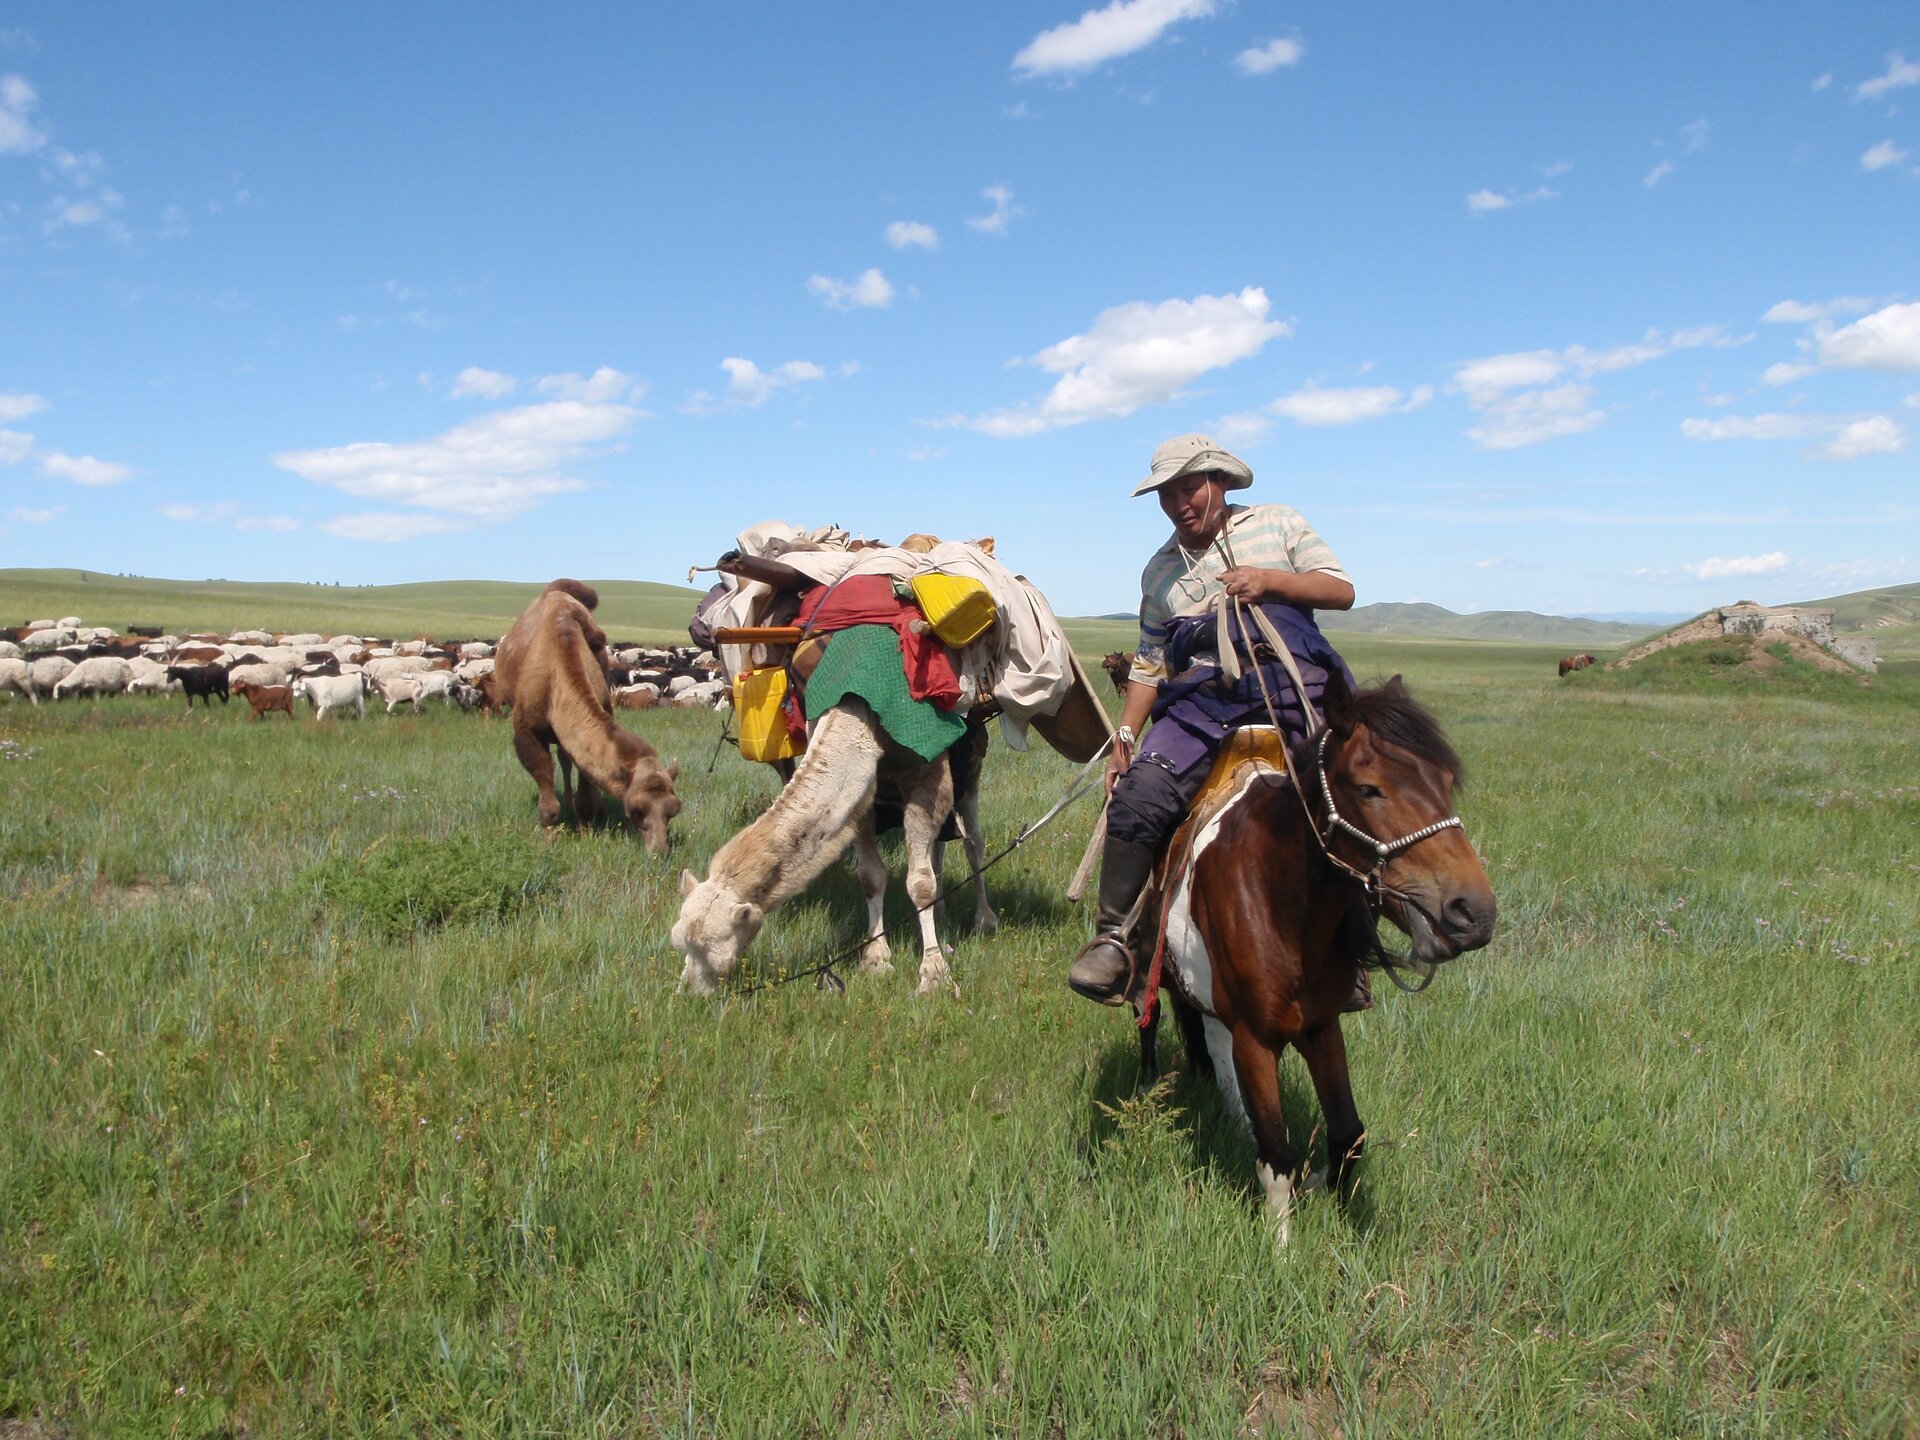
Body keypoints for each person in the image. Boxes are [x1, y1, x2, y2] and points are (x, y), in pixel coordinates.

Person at [1068, 433, 1358, 1006]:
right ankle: (1118, 941)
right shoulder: (1158, 573)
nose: (1179, 505)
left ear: (1218, 482)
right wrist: (1124, 735)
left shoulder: (1277, 523)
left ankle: (1352, 948)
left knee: (1344, 794)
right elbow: (1150, 662)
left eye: (1188, 489)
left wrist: (1269, 581)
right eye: (1167, 495)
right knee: (1140, 795)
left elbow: (1341, 590)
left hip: (1291, 681)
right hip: (1201, 699)